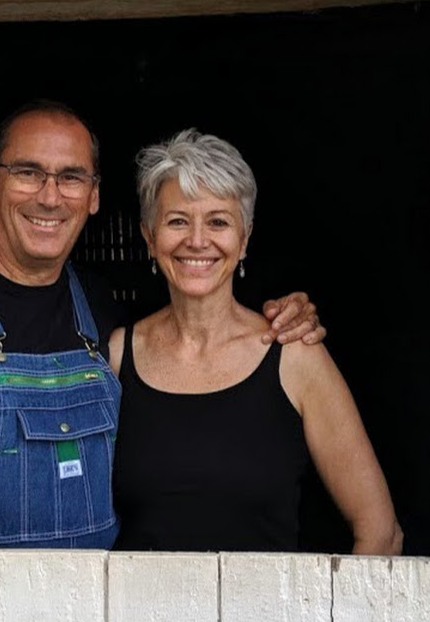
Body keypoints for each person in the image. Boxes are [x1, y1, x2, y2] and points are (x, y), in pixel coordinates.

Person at [0, 100, 326, 549]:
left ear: (94, 196)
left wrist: (284, 317)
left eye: (71, 177)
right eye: (28, 172)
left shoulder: (104, 314)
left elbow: (199, 324)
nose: (49, 197)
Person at [110, 128, 403, 555]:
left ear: (244, 238)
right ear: (149, 237)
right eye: (177, 221)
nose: (197, 240)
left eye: (218, 221)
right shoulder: (118, 356)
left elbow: (380, 532)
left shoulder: (295, 355)